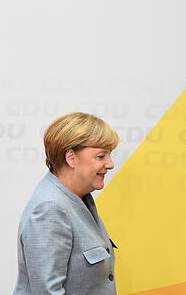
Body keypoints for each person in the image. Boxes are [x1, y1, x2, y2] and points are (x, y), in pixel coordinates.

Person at [13, 112, 119, 295]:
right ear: (71, 158)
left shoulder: (79, 198)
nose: (110, 164)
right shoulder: (50, 209)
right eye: (101, 156)